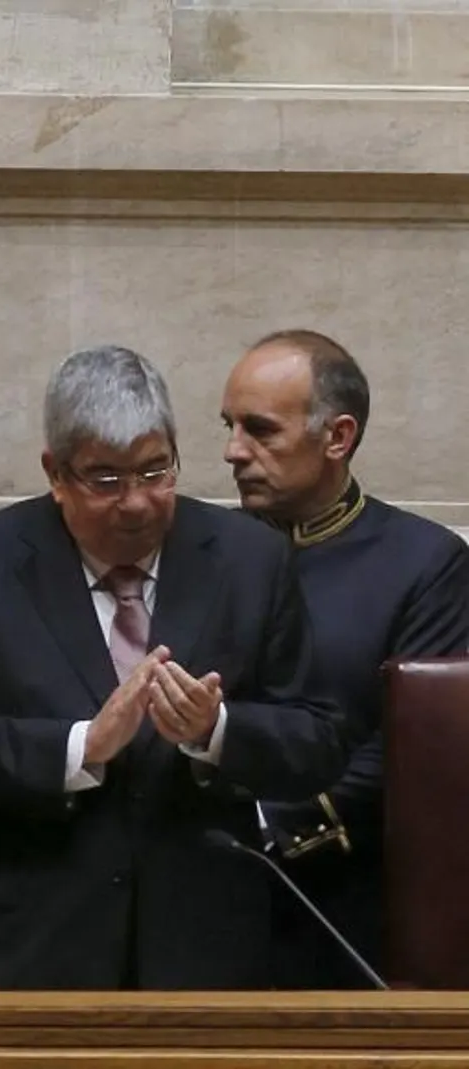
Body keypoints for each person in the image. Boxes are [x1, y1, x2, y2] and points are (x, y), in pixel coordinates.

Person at [0, 344, 346, 990]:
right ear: (56, 472)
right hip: (31, 953)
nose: (136, 502)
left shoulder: (252, 560)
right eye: (105, 479)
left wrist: (215, 729)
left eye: (155, 470)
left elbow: (320, 736)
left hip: (206, 953)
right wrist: (80, 746)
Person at [221, 329, 469, 988]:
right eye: (229, 426)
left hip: (342, 898)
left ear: (337, 436)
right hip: (199, 892)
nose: (233, 451)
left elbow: (413, 748)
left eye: (259, 430)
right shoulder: (208, 549)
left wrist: (270, 820)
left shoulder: (426, 563)